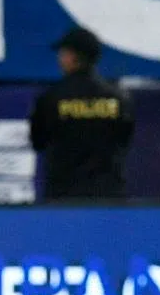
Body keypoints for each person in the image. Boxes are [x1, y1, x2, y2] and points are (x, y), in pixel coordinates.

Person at [28, 26, 134, 200]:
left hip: (63, 197)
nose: (60, 58)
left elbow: (38, 142)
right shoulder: (119, 98)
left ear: (72, 57)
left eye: (63, 53)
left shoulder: (51, 98)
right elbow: (125, 140)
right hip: (109, 196)